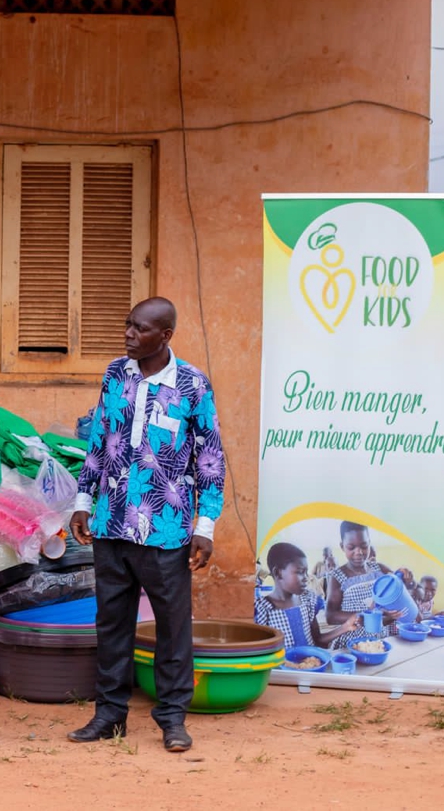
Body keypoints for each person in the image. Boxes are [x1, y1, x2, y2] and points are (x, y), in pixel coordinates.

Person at [68, 297, 224, 754]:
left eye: (140, 328)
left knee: (173, 628)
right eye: (127, 325)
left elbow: (210, 457)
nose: (129, 334)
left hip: (166, 528)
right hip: (112, 522)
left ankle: (172, 719)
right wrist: (83, 499)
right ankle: (109, 715)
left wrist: (206, 526)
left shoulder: (193, 385)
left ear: (166, 335)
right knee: (111, 623)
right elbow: (99, 438)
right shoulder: (116, 373)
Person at [254, 542, 357, 648]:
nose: (306, 578)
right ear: (278, 573)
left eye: (306, 572)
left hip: (312, 663)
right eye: (300, 572)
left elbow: (319, 640)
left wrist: (346, 626)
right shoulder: (263, 609)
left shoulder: (307, 601)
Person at [325, 521, 400, 648]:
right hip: (352, 643)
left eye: (364, 546)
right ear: (342, 546)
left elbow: (398, 587)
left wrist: (404, 577)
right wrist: (365, 616)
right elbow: (330, 616)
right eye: (351, 547)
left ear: (369, 543)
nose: (359, 552)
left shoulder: (380, 569)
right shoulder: (337, 576)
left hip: (380, 640)